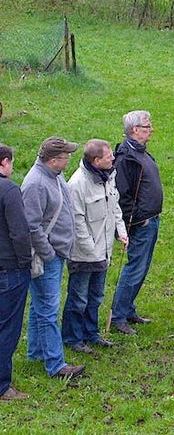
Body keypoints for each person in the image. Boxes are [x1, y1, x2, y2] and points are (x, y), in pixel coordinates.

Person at [21, 137, 85, 380]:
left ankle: (36, 352)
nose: (70, 158)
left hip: (56, 252)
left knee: (40, 306)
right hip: (48, 255)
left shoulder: (54, 176)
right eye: (67, 155)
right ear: (55, 160)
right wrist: (48, 253)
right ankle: (56, 365)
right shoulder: (35, 184)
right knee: (48, 309)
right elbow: (32, 226)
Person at [62, 140, 129, 353]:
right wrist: (92, 251)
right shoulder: (77, 184)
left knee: (96, 295)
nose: (113, 159)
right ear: (96, 160)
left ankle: (91, 333)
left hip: (104, 251)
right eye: (108, 156)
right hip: (84, 255)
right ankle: (73, 338)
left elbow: (114, 206)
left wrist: (121, 231)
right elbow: (77, 222)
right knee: (78, 298)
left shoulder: (108, 177)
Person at [111, 110, 163, 335]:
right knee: (134, 268)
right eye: (147, 126)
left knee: (142, 267)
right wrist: (136, 221)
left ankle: (128, 308)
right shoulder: (126, 158)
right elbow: (122, 195)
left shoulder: (140, 153)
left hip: (150, 219)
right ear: (134, 130)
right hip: (141, 223)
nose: (151, 129)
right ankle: (118, 315)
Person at [0, 144, 32, 400]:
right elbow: (20, 232)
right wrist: (25, 262)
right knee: (7, 327)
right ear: (5, 163)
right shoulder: (9, 190)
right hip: (9, 268)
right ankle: (2, 386)